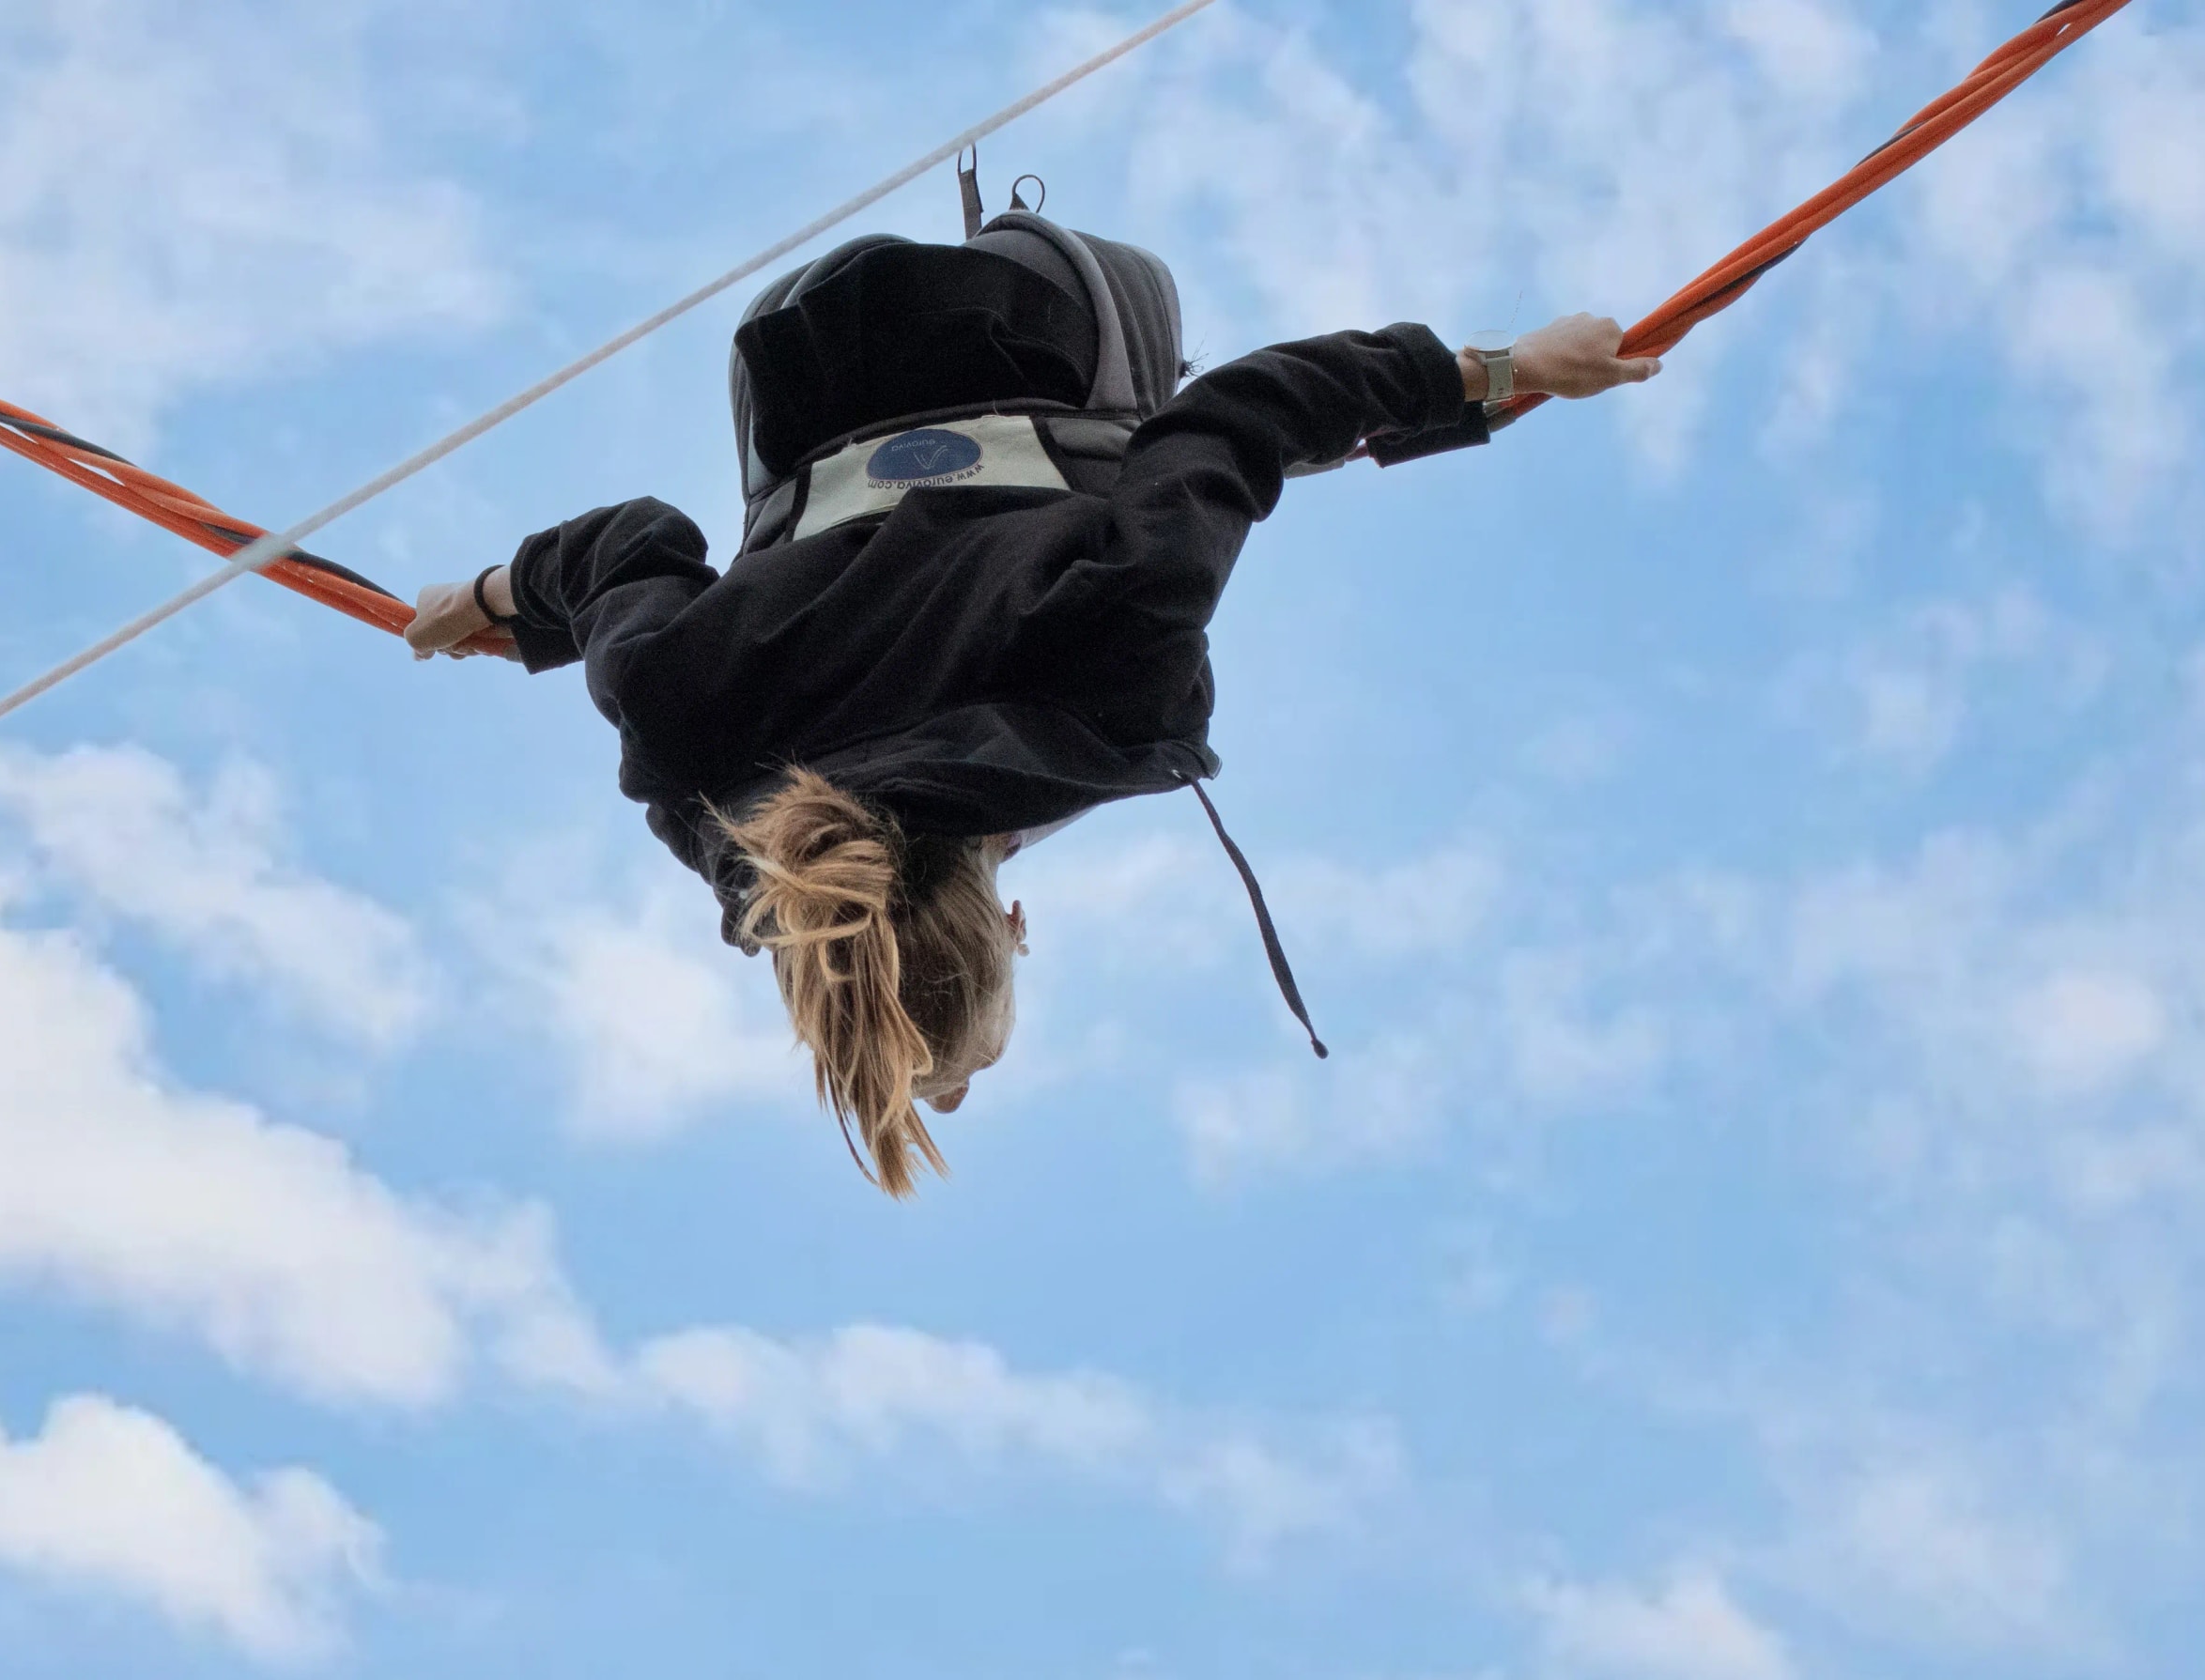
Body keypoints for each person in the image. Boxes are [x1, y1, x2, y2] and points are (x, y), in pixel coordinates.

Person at [401, 211, 1659, 1195]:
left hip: (1058, 321)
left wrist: (1496, 372)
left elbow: (1237, 418)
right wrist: (497, 598)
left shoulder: (1109, 685)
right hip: (800, 352)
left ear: (1007, 920)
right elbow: (634, 544)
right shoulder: (696, 763)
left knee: (1153, 445)